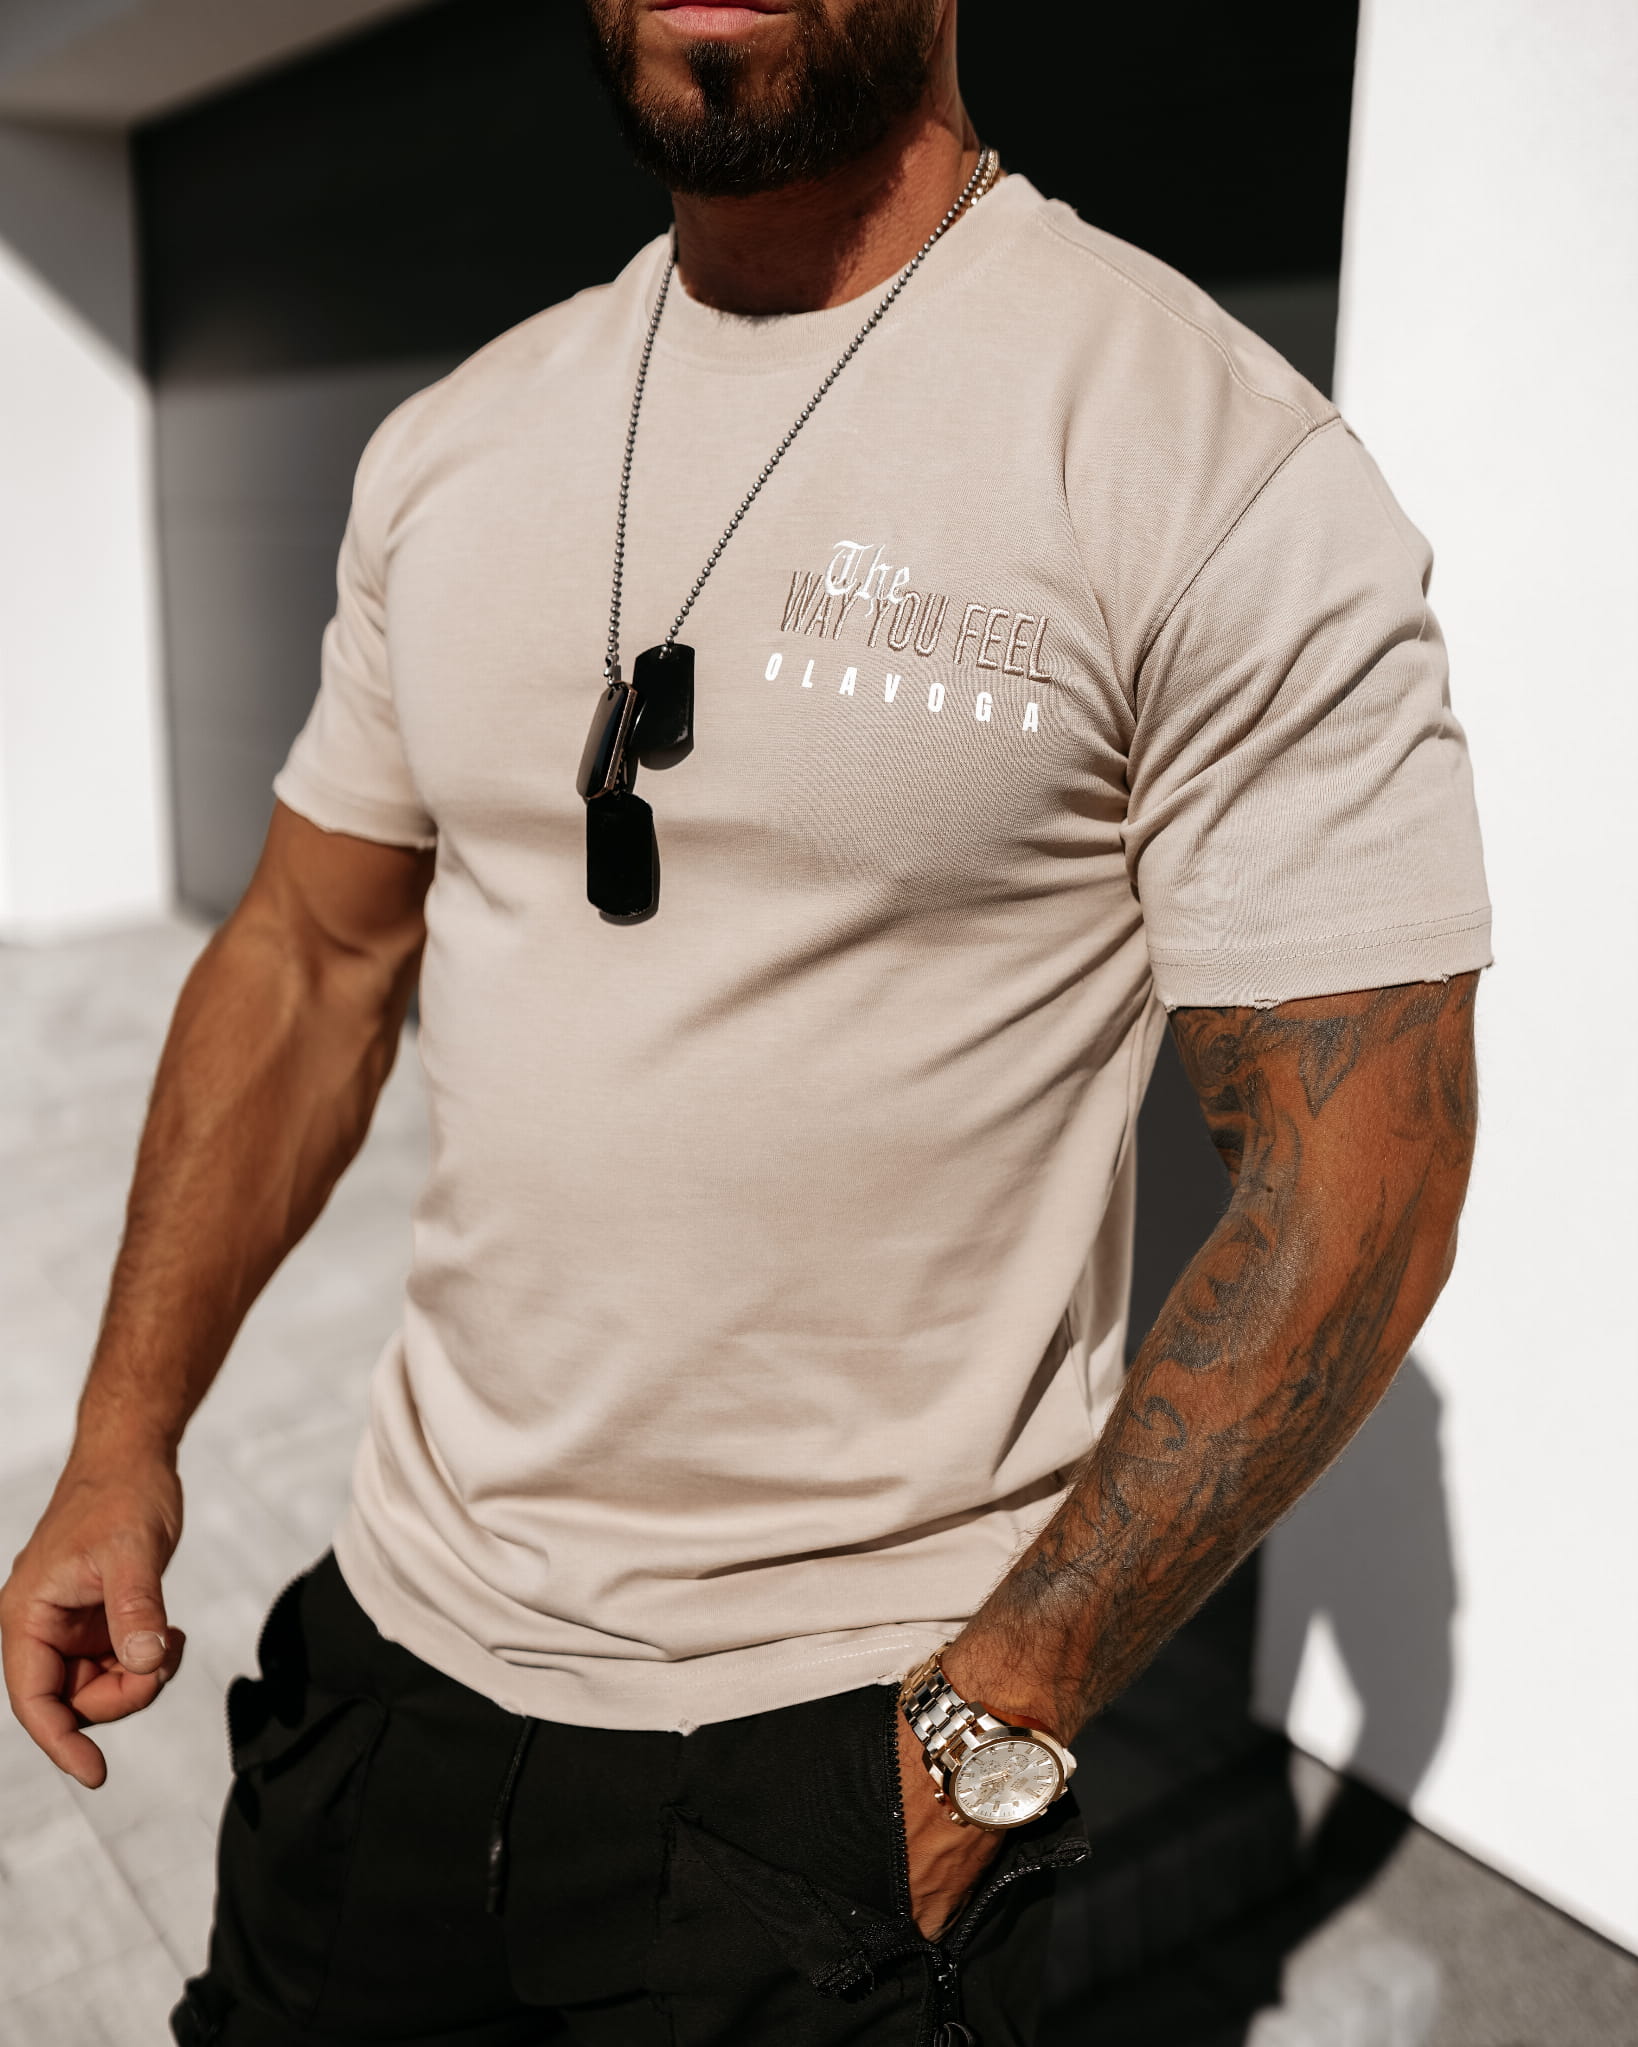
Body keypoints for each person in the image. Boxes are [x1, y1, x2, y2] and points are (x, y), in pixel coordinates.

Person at [0, 1, 1490, 2042]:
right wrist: (121, 1438)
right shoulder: (454, 443)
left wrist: (988, 1728)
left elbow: (1363, 1181)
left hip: (835, 1772)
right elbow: (304, 957)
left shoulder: (1208, 461)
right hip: (389, 1680)